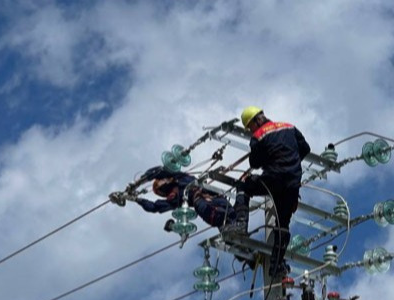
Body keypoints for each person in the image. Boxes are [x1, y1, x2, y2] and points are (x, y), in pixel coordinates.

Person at [239, 106, 310, 277]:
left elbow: (254, 163)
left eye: (250, 127)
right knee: (282, 225)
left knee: (243, 186)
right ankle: (276, 265)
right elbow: (305, 149)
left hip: (273, 180)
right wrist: (290, 161)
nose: (251, 131)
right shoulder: (288, 126)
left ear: (256, 121)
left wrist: (272, 160)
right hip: (292, 183)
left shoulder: (259, 135)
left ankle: (239, 225)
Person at [114, 165, 249, 234]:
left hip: (218, 199)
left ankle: (242, 244)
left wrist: (140, 181)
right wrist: (136, 199)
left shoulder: (180, 177)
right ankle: (241, 246)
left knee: (235, 213)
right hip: (204, 205)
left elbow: (160, 170)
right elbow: (155, 207)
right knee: (224, 223)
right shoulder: (175, 198)